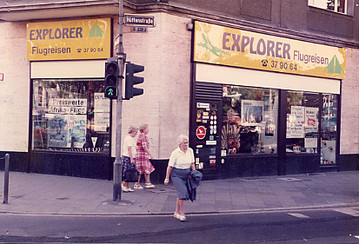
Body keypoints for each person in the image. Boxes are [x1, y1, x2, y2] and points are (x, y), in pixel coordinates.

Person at [164, 135, 196, 222]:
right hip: (177, 174)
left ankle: (176, 212)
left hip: (187, 173)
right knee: (182, 192)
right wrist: (167, 178)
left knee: (180, 193)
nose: (186, 144)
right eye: (184, 143)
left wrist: (194, 173)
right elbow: (170, 166)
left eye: (187, 142)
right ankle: (182, 214)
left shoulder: (190, 151)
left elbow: (192, 163)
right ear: (180, 144)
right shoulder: (175, 153)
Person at [134, 124, 155, 189]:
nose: (148, 130)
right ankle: (137, 184)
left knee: (145, 168)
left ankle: (147, 183)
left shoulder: (140, 136)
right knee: (142, 169)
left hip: (140, 154)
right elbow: (144, 147)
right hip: (142, 155)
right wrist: (150, 154)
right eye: (147, 129)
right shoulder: (144, 136)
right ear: (144, 130)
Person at [122, 126, 138, 192]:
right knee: (127, 172)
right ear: (133, 131)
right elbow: (129, 149)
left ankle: (127, 186)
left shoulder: (130, 138)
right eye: (136, 132)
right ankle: (123, 185)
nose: (136, 134)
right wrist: (131, 158)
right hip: (128, 157)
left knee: (130, 172)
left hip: (130, 157)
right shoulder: (128, 138)